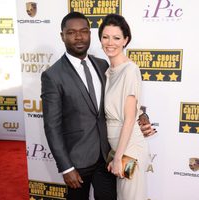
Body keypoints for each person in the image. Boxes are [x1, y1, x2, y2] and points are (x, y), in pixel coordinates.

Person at [41, 12, 155, 200]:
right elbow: (52, 127)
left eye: (84, 31)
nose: (79, 37)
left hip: (108, 157)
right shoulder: (53, 76)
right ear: (62, 36)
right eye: (71, 32)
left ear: (90, 34)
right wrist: (66, 167)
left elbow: (124, 99)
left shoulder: (103, 65)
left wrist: (140, 116)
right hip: (78, 162)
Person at [98, 14, 150, 200]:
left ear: (126, 40)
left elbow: (129, 119)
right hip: (118, 148)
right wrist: (115, 155)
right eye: (106, 37)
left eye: (116, 38)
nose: (110, 42)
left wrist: (119, 157)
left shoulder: (130, 70)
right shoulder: (108, 71)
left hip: (129, 149)